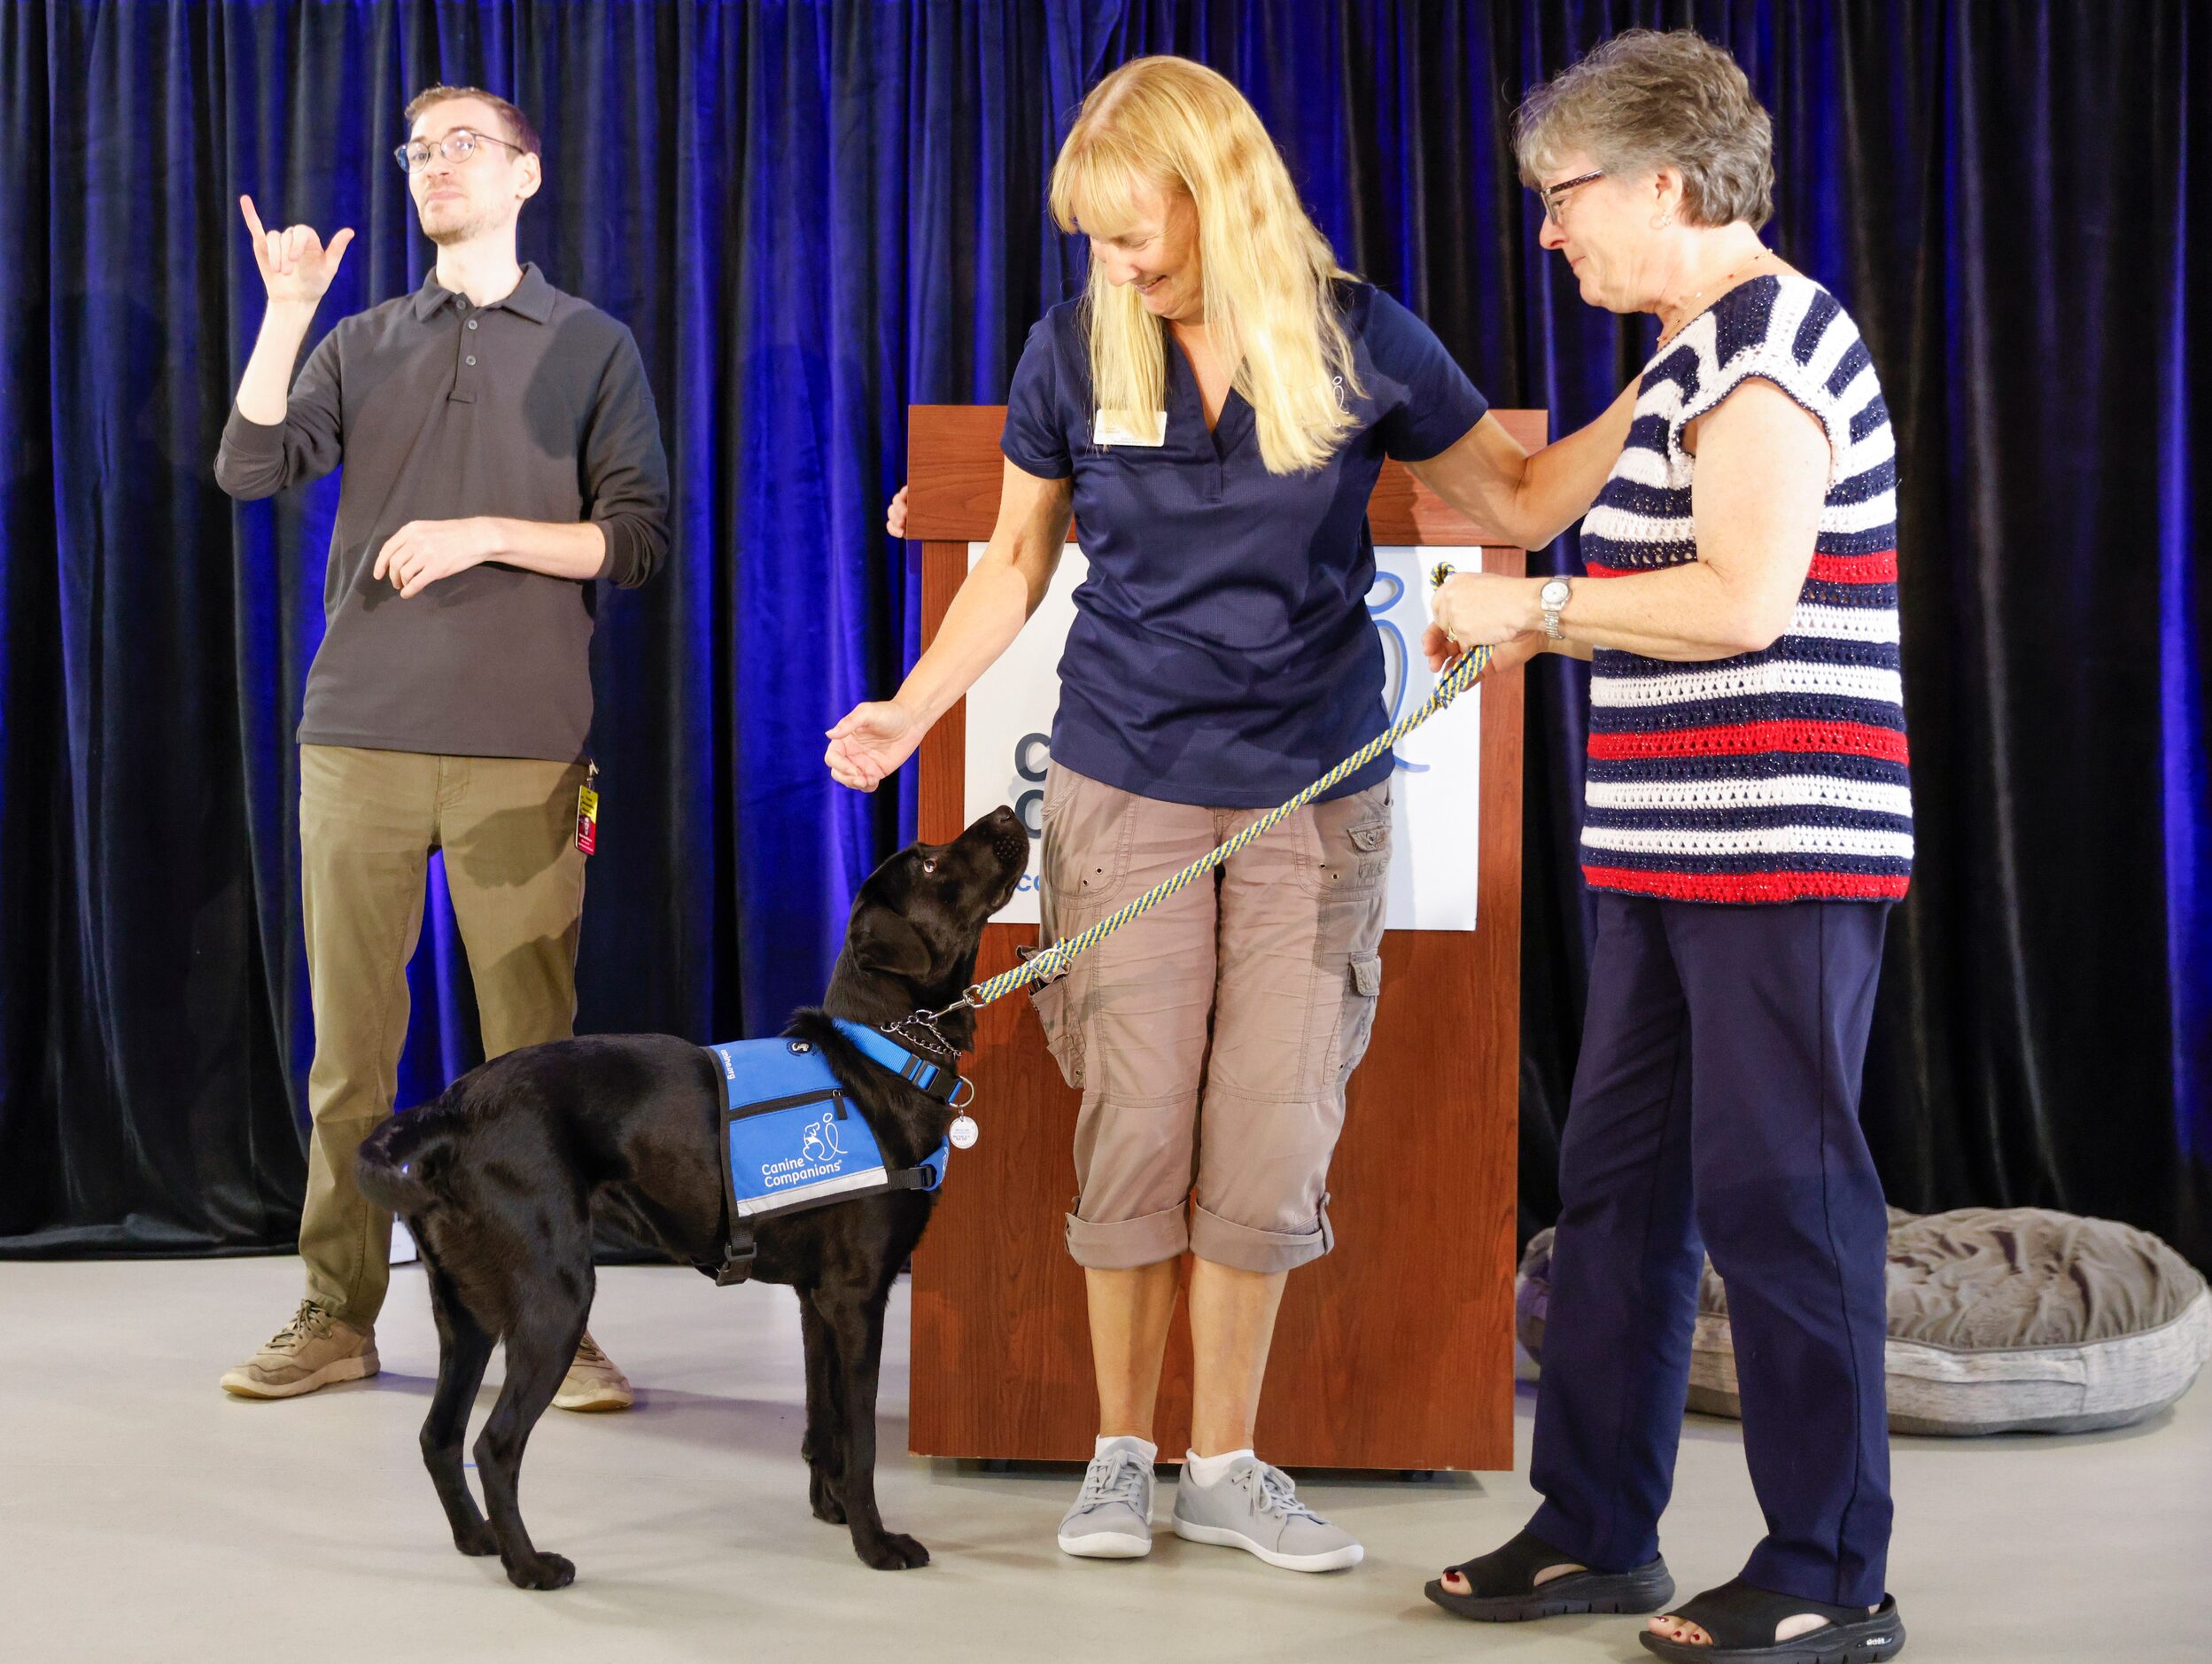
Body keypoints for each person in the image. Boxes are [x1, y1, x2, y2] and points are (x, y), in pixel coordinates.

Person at [836, 55, 1634, 1573]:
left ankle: (1226, 1461)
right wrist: (911, 705)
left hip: (1310, 802)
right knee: (1133, 1129)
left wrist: (1675, 381)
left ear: (1225, 198)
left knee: (1268, 1137)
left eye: (1136, 234)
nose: (1115, 264)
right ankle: (1120, 1453)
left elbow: (1520, 503)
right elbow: (1009, 564)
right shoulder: (1075, 347)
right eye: (1097, 241)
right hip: (1121, 784)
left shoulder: (1360, 338)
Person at [1419, 31, 1911, 1660]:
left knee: (1781, 1195)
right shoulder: (1686, 348)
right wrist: (1348, 357)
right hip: (1658, 847)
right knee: (1621, 1195)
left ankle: (1833, 1571)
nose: (1547, 232)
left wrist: (1536, 617)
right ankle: (1593, 1528)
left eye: (1563, 199)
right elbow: (1525, 501)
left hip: (1781, 847)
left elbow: (1740, 599)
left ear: (1667, 184)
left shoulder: (1770, 347)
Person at [213, 86, 669, 1412]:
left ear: (528, 174)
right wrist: (287, 311)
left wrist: (486, 533)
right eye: (418, 150)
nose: (434, 167)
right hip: (357, 734)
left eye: (463, 145)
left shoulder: (589, 346)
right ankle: (333, 1310)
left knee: (533, 1054)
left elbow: (633, 537)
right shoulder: (362, 338)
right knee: (351, 1053)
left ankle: (548, 1315)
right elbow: (252, 464)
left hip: (523, 749)